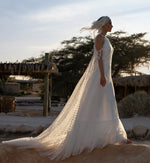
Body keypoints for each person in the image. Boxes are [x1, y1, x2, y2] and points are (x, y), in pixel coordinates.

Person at [2, 16, 133, 160]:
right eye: (110, 23)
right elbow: (98, 58)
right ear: (103, 25)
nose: (112, 26)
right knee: (101, 102)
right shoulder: (99, 38)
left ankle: (117, 136)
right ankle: (113, 136)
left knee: (107, 102)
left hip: (105, 75)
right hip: (100, 76)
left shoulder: (106, 39)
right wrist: (102, 76)